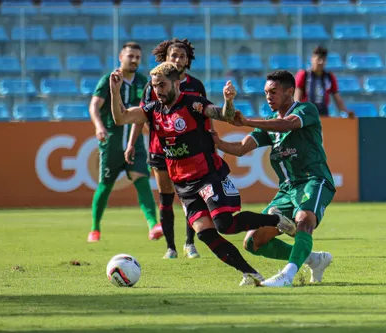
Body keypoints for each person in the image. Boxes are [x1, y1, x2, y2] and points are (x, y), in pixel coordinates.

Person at [111, 62, 297, 285]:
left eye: (162, 85)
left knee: (223, 225)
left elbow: (224, 115)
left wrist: (228, 101)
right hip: (183, 184)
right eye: (154, 86)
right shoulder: (152, 110)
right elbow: (120, 118)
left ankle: (276, 219)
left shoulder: (193, 103)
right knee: (205, 234)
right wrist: (115, 91)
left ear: (176, 84)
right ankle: (251, 273)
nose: (157, 90)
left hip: (208, 175)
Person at [212, 70, 335, 287]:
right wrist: (217, 143)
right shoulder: (268, 124)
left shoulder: (307, 109)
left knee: (304, 219)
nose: (268, 96)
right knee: (253, 243)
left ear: (290, 91)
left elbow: (287, 124)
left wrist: (248, 121)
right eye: (266, 92)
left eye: (273, 92)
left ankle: (287, 276)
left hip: (313, 180)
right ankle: (313, 259)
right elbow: (241, 149)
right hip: (287, 189)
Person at [127, 38, 207, 259]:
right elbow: (139, 116)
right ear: (165, 58)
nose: (177, 59)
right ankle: (170, 248)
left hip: (189, 152)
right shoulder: (153, 85)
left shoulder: (196, 86)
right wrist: (131, 143)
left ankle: (190, 243)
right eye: (173, 55)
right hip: (160, 149)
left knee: (190, 197)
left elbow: (205, 118)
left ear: (188, 59)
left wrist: (212, 141)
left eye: (182, 56)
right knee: (166, 196)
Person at [87, 42, 163, 243]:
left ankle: (153, 224)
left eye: (138, 57)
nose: (134, 60)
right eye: (131, 56)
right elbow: (94, 105)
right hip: (111, 142)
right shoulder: (109, 80)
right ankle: (95, 228)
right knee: (106, 184)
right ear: (121, 57)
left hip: (135, 142)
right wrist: (99, 126)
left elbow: (148, 112)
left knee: (141, 178)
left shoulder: (143, 82)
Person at [294, 45, 354, 118]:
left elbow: (337, 97)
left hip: (323, 115)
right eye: (318, 59)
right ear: (312, 59)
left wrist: (346, 111)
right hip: (306, 115)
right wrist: (297, 111)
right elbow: (297, 97)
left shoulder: (329, 77)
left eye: (323, 59)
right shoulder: (304, 75)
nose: (321, 62)